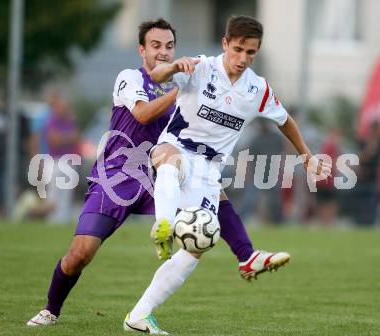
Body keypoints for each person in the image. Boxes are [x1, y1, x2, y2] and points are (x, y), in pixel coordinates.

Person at [27, 18, 286, 328]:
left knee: (207, 214)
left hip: (162, 172)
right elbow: (142, 113)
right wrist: (180, 91)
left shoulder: (190, 82)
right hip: (119, 176)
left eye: (169, 46)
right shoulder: (131, 78)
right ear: (142, 50)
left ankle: (244, 255)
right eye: (156, 45)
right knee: (80, 254)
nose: (163, 52)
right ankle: (51, 309)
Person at [124, 15, 331, 334]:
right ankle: (162, 226)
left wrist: (307, 156)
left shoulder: (256, 88)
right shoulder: (201, 67)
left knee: (198, 247)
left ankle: (139, 315)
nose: (243, 58)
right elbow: (156, 74)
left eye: (251, 53)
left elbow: (285, 120)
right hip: (175, 146)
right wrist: (176, 66)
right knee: (169, 159)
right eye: (238, 50)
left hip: (208, 169)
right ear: (225, 44)